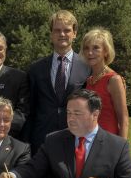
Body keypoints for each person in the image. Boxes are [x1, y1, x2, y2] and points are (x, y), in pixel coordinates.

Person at [0, 89, 131, 178]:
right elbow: (33, 169)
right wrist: (13, 176)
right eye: (68, 113)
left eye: (77, 114)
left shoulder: (117, 145)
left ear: (95, 114)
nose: (70, 118)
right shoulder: (53, 140)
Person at [21, 10, 90, 155]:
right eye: (57, 30)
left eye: (67, 30)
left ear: (75, 33)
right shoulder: (35, 69)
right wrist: (25, 144)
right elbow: (30, 109)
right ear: (51, 34)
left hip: (75, 137)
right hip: (41, 139)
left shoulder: (86, 67)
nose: (62, 34)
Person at [82, 27, 129, 138]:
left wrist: (121, 150)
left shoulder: (114, 80)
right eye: (86, 48)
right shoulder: (89, 80)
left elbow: (124, 119)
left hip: (109, 142)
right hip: (89, 141)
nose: (90, 52)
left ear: (106, 51)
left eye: (96, 48)